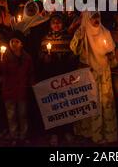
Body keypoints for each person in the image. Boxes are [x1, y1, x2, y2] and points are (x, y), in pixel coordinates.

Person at [70, 11, 118, 144]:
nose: (96, 20)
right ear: (87, 18)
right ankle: (88, 132)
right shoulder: (82, 33)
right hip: (88, 72)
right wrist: (79, 36)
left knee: (105, 102)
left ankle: (105, 133)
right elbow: (74, 50)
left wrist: (110, 56)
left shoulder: (105, 32)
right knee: (89, 102)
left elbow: (113, 59)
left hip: (103, 74)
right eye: (93, 17)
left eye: (98, 16)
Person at [38, 13, 77, 146]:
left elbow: (74, 53)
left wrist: (70, 57)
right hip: (51, 76)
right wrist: (45, 59)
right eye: (53, 22)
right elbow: (40, 55)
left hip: (65, 76)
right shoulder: (45, 39)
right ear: (50, 24)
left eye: (58, 22)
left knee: (67, 104)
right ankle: (54, 132)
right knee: (53, 105)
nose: (56, 25)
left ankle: (67, 130)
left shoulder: (69, 38)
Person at [0, 31, 34, 146]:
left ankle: (24, 135)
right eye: (12, 41)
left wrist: (31, 83)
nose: (14, 44)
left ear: (22, 44)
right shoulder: (4, 58)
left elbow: (31, 72)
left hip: (22, 91)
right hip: (9, 90)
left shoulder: (27, 58)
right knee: (11, 115)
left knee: (23, 114)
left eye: (17, 41)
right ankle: (14, 136)